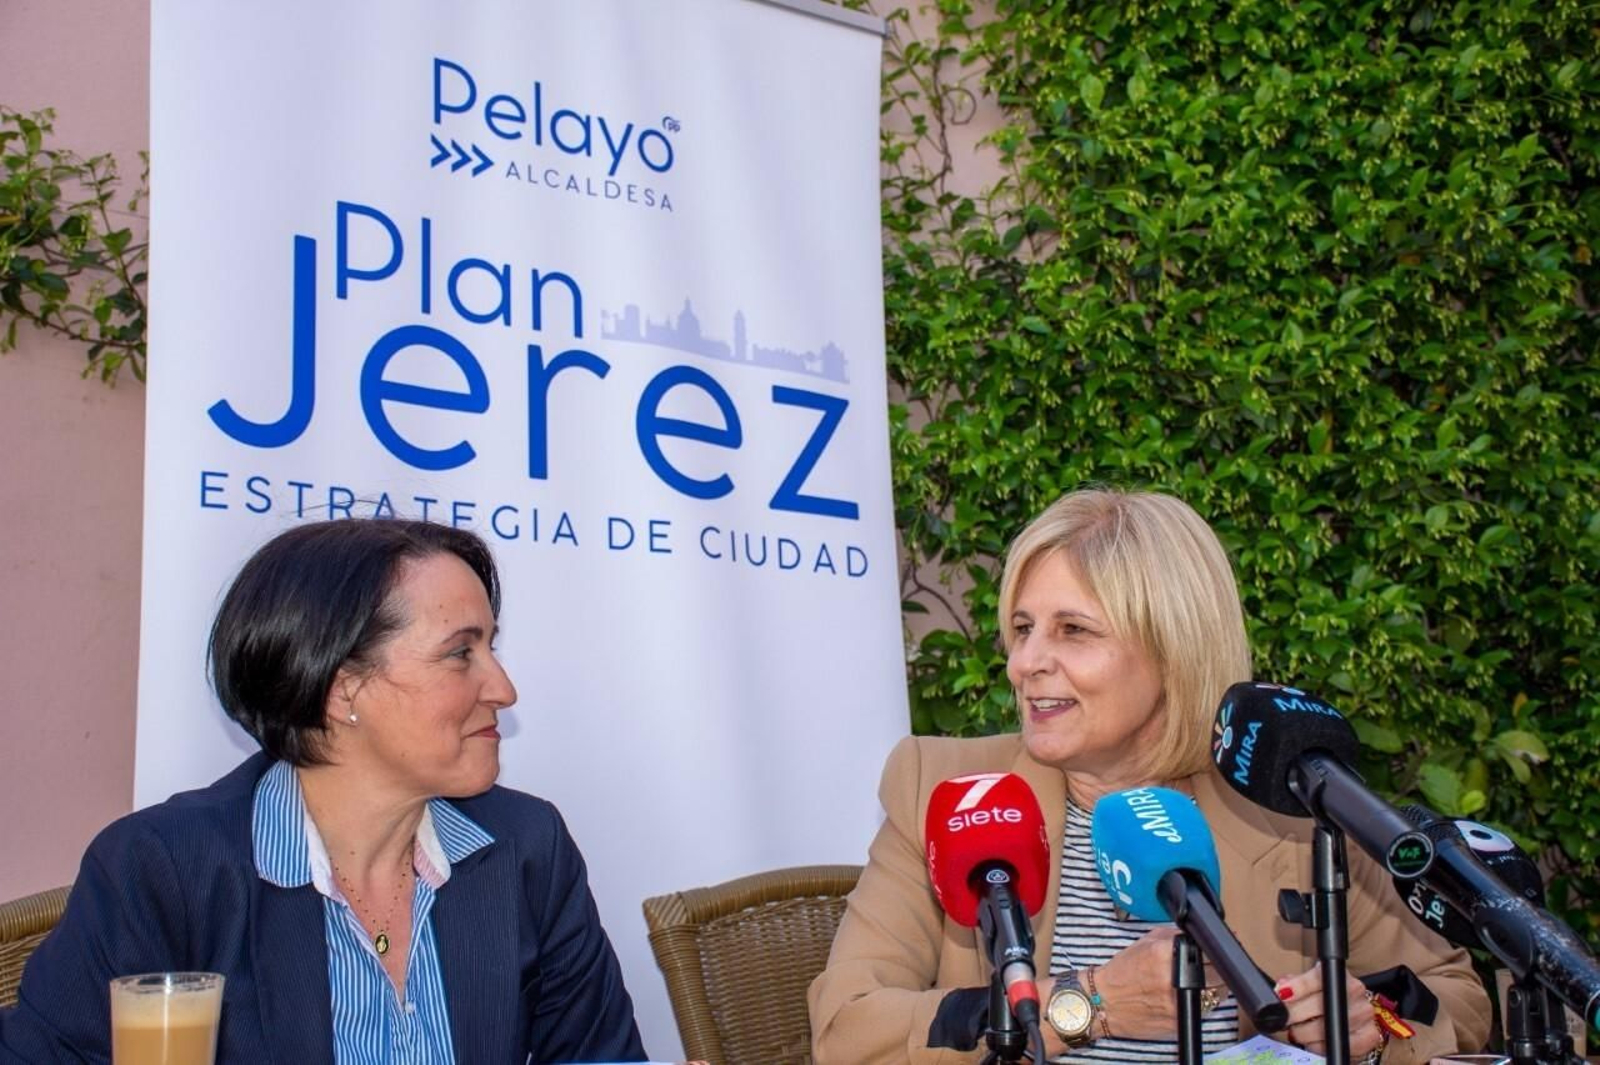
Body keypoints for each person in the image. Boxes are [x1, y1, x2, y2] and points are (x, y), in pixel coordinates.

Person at [809, 488, 1490, 1064]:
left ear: (1174, 649)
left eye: (1073, 630)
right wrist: (1089, 1002)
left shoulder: (1289, 811)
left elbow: (1451, 995)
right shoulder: (947, 789)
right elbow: (846, 1028)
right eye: (1023, 627)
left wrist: (1369, 1020)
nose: (1025, 662)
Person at [0, 518, 646, 1063]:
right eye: (460, 653)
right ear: (341, 690)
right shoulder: (164, 869)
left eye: (490, 647)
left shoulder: (525, 846)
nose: (503, 688)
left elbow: (597, 1055)